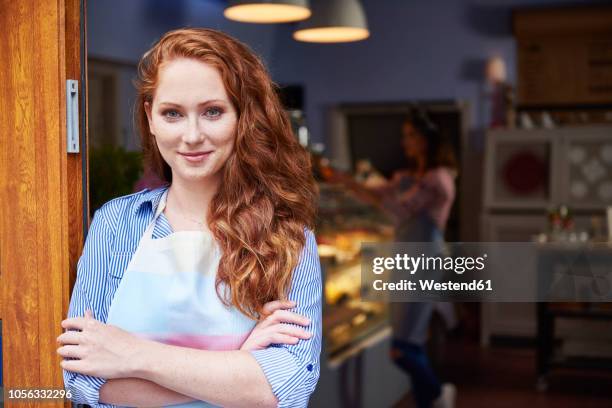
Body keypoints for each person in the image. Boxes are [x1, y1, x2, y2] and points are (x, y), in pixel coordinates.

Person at [57, 28, 322, 408]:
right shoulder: (116, 224)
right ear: (150, 117)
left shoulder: (287, 238)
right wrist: (239, 366)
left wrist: (134, 355)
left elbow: (285, 388)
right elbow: (81, 378)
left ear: (242, 116)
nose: (192, 135)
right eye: (172, 114)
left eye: (212, 111)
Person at [381, 112, 458, 408]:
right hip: (408, 262)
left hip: (422, 262)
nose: (405, 142)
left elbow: (399, 210)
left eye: (411, 135)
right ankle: (432, 401)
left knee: (403, 347)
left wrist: (380, 194)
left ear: (427, 139)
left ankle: (439, 396)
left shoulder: (436, 178)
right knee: (407, 344)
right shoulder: (419, 177)